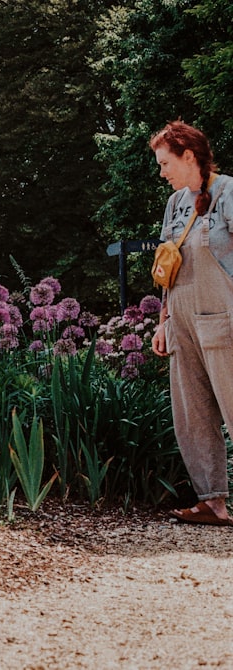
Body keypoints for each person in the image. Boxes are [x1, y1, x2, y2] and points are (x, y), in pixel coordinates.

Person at [150, 120, 233, 526]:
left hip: (223, 315)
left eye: (166, 163)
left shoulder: (228, 192)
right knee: (192, 414)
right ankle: (213, 502)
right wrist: (163, 321)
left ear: (188, 155)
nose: (162, 171)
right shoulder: (175, 204)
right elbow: (169, 266)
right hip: (182, 317)